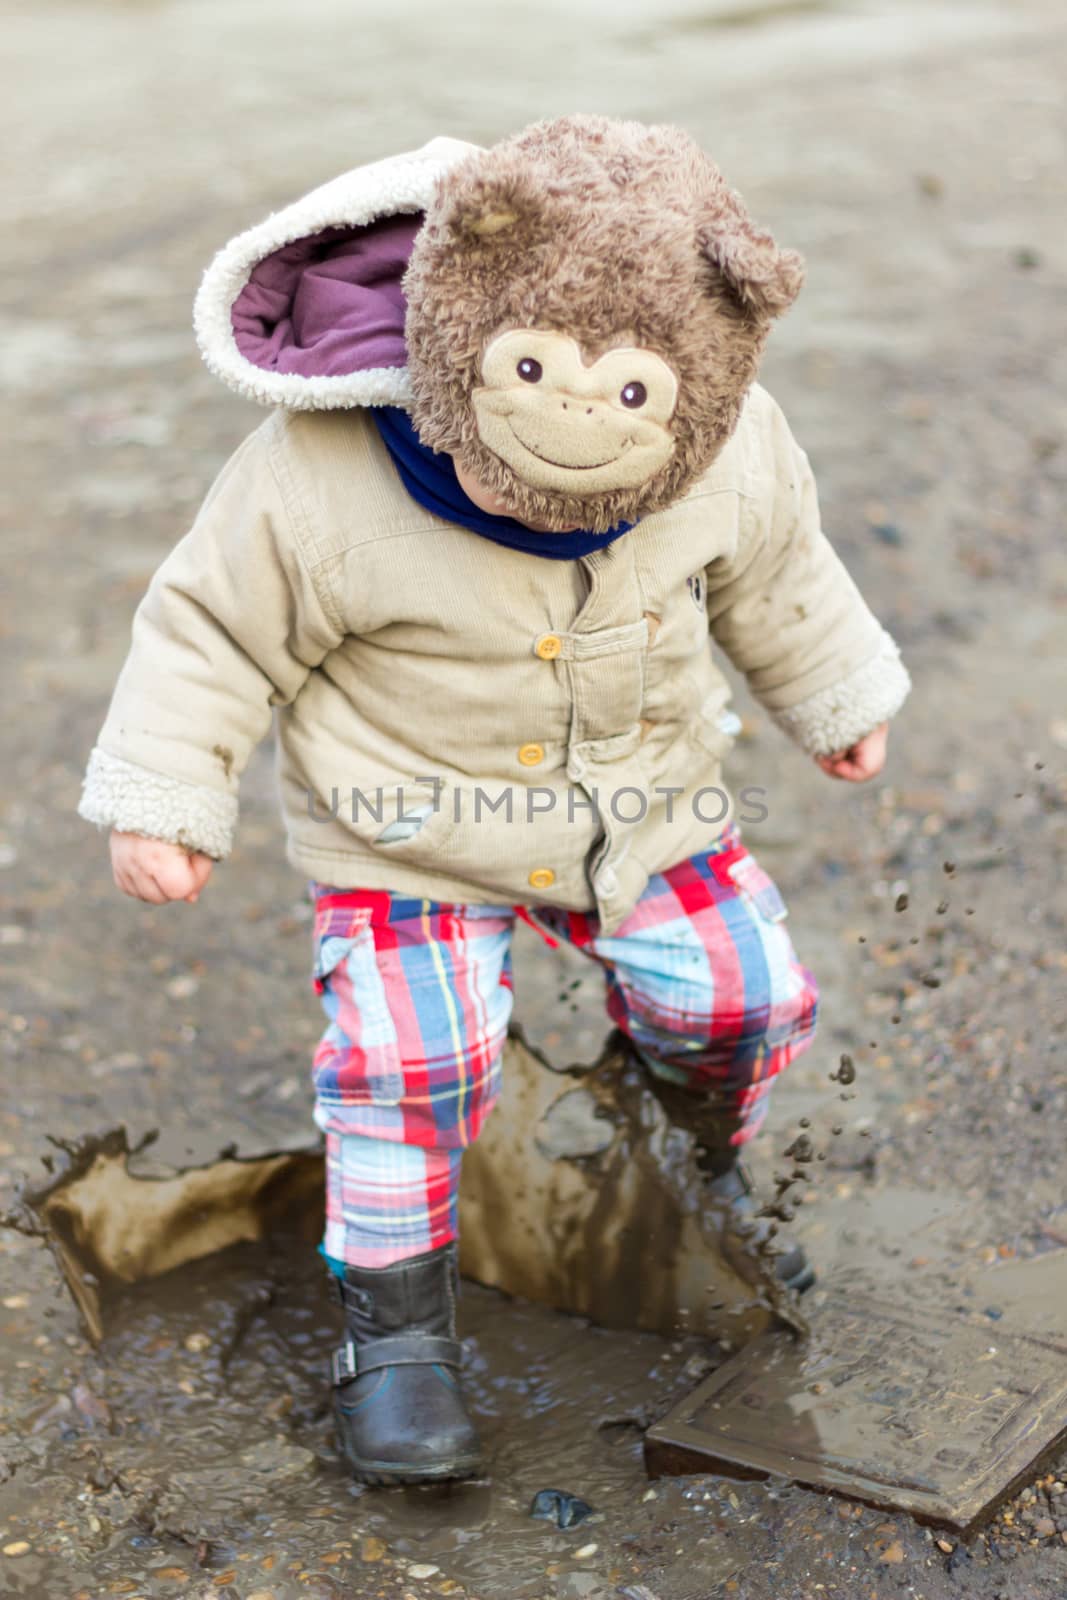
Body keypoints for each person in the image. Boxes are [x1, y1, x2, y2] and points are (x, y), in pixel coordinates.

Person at [80, 116, 910, 1485]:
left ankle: (688, 1161)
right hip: (404, 832)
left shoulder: (733, 440)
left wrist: (836, 697)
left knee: (740, 995)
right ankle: (394, 1333)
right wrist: (166, 796)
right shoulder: (316, 477)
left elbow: (782, 571)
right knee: (414, 1064)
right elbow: (209, 630)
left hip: (643, 808)